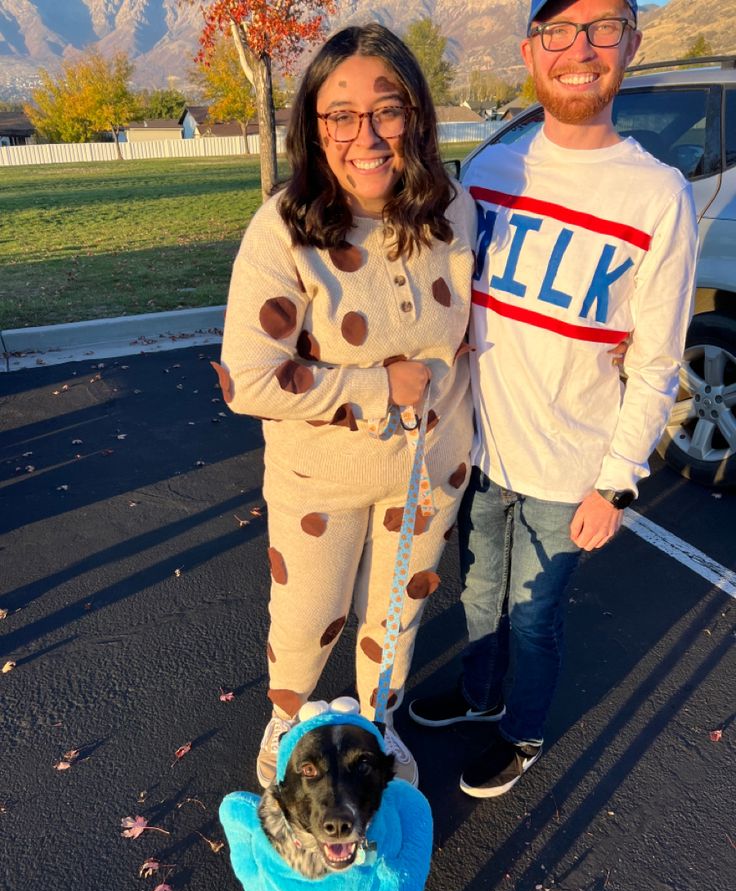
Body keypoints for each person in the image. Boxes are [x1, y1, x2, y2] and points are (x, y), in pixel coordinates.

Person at [409, 0, 698, 798]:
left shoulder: (656, 195)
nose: (581, 48)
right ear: (531, 53)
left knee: (533, 617)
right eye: (559, 31)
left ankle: (522, 730)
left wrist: (615, 481)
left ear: (630, 45)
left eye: (603, 27)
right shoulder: (494, 171)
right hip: (482, 448)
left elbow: (658, 359)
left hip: (568, 467)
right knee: (476, 592)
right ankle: (477, 692)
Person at [213, 23, 476, 789]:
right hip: (319, 480)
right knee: (307, 622)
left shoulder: (454, 211)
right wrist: (373, 384)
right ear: (314, 126)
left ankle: (377, 724)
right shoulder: (285, 228)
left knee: (394, 621)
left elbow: (475, 328)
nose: (366, 134)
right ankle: (288, 724)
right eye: (341, 115)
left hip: (428, 468)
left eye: (386, 109)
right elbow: (248, 379)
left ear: (416, 117)